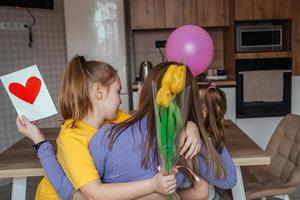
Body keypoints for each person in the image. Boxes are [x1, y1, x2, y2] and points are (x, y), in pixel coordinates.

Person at [17, 62, 236, 200]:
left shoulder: (117, 118)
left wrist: (191, 125)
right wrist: (39, 140)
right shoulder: (71, 137)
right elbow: (87, 193)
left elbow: (143, 120)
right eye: (118, 91)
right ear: (98, 92)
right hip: (62, 194)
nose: (121, 98)